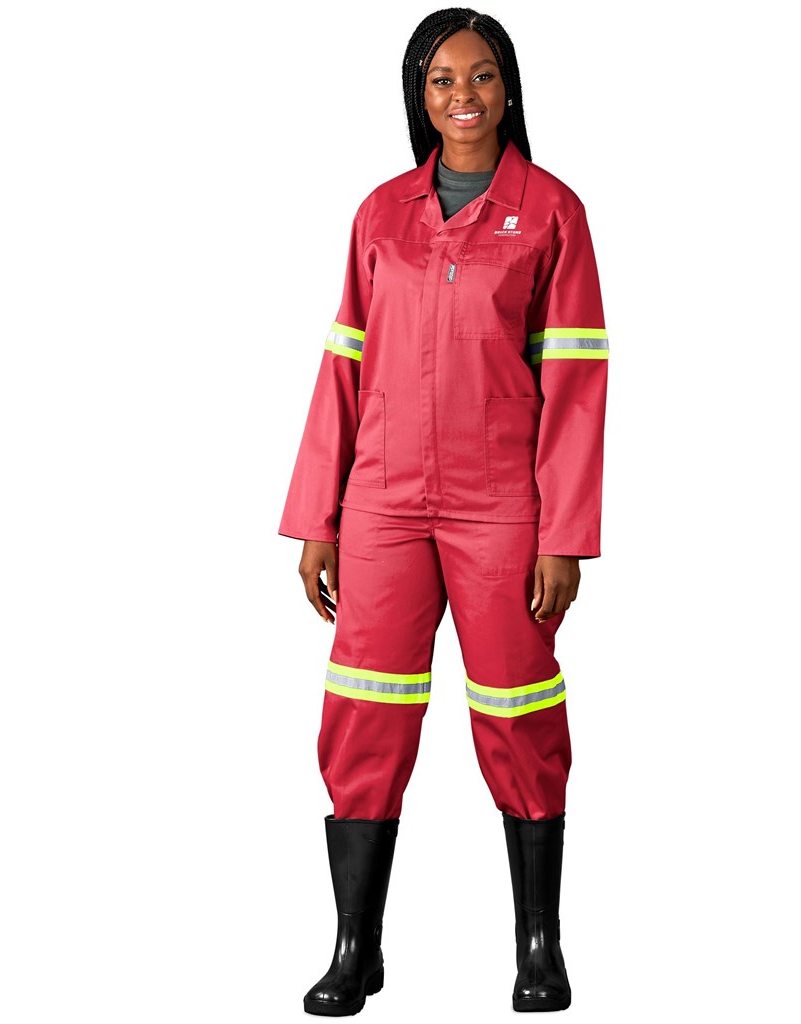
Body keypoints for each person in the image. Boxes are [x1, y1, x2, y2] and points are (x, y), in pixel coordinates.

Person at [278, 8, 609, 1016]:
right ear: (419, 97)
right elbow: (344, 364)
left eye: (480, 75)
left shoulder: (551, 212)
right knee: (364, 710)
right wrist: (319, 515)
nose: (462, 95)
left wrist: (565, 535)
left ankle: (539, 944)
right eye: (440, 80)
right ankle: (355, 945)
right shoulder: (380, 214)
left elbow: (577, 384)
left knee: (518, 709)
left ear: (509, 88)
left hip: (501, 501)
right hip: (381, 499)